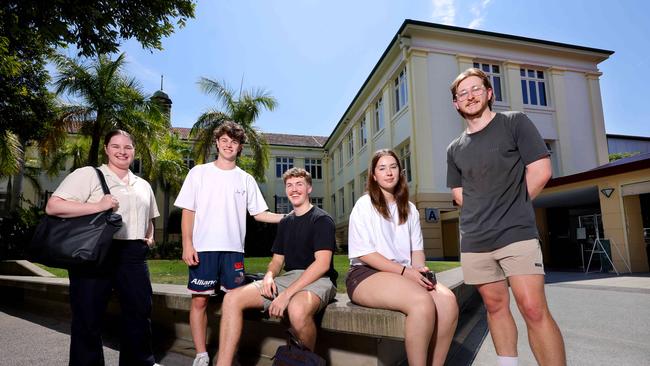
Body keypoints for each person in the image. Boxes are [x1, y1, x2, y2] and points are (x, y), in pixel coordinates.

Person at [446, 68, 566, 366]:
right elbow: (459, 193)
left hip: (516, 233)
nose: (470, 96)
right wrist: (481, 210)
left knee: (533, 308)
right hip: (475, 240)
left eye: (476, 89)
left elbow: (541, 170)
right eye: (462, 93)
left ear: (489, 93)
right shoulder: (454, 149)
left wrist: (510, 205)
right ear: (456, 104)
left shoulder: (514, 123)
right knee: (495, 306)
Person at [173, 121, 285, 366]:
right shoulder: (199, 173)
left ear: (240, 147)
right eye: (224, 140)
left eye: (233, 142)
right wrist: (187, 245)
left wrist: (288, 217)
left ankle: (227, 354)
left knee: (232, 302)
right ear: (217, 143)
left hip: (233, 251)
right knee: (200, 301)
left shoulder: (245, 179)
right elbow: (188, 211)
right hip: (203, 249)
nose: (228, 145)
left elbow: (259, 213)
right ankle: (201, 354)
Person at [45, 130, 161, 366]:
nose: (122, 151)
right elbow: (54, 206)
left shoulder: (143, 185)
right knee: (88, 318)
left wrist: (148, 238)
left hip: (133, 255)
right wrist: (98, 205)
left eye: (127, 147)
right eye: (116, 146)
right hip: (95, 253)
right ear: (106, 149)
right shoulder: (89, 174)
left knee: (139, 316)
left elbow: (150, 218)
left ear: (134, 151)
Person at [346, 149, 459, 366]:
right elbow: (365, 253)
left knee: (447, 301)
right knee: (421, 303)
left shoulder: (411, 209)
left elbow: (416, 252)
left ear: (400, 171)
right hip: (367, 273)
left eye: (393, 167)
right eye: (382, 168)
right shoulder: (364, 205)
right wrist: (407, 272)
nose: (389, 172)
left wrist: (420, 270)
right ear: (373, 175)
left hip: (404, 274)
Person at [215, 167, 337, 365]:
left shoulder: (321, 219)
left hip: (318, 278)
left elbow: (322, 264)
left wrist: (286, 295)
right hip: (289, 278)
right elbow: (277, 260)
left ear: (309, 189)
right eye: (289, 185)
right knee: (231, 298)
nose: (294, 189)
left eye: (299, 184)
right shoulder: (286, 222)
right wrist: (269, 276)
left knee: (297, 311)